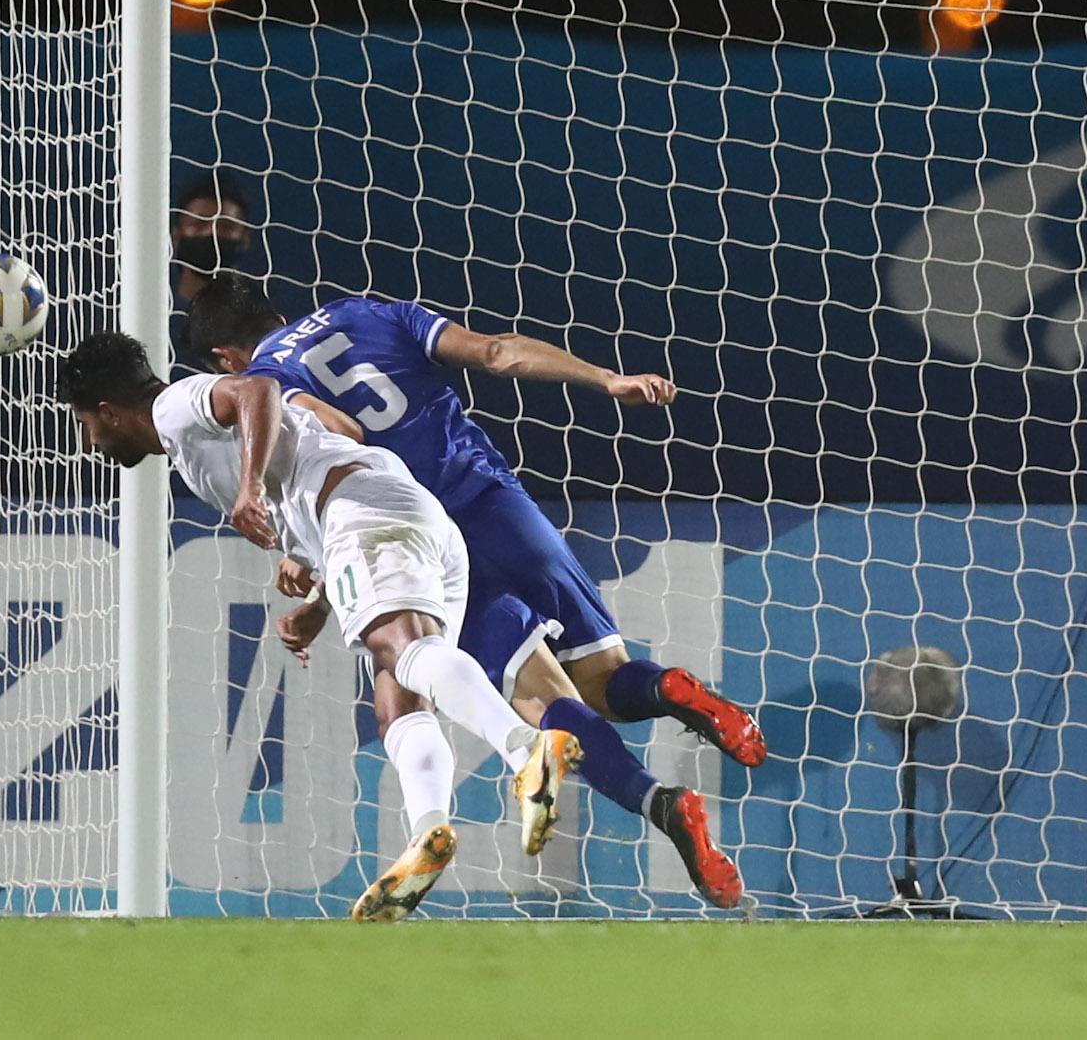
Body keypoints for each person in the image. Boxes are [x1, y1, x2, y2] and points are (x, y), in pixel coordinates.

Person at [184, 275, 758, 909]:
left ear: (223, 359)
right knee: (608, 683)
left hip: (426, 543)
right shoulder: (366, 311)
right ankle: (670, 688)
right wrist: (607, 380)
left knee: (546, 707)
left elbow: (345, 447)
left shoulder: (265, 381)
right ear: (275, 312)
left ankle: (666, 806)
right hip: (499, 504)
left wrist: (313, 569)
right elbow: (497, 352)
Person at [58, 329, 581, 923]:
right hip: (401, 513)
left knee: (405, 653)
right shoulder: (195, 441)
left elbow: (256, 388)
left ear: (108, 412)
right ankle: (429, 830)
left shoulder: (174, 406)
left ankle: (525, 748)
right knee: (398, 699)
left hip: (364, 513)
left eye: (85, 424)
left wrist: (253, 489)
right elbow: (345, 431)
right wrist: (321, 592)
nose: (89, 441)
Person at [171, 173, 258, 307]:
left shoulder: (262, 314)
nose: (212, 232)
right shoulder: (153, 311)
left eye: (226, 226)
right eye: (199, 224)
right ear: (176, 235)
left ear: (246, 237)